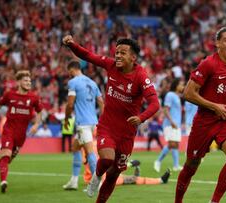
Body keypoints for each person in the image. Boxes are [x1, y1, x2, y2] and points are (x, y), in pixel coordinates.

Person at [62, 36, 160, 202]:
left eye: (123, 53)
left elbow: (155, 103)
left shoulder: (141, 76)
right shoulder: (111, 65)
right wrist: (72, 44)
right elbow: (88, 55)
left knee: (114, 174)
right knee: (106, 159)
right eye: (117, 52)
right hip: (107, 126)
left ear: (133, 58)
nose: (118, 56)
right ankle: (97, 175)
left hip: (127, 133)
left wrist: (141, 117)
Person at [175, 27, 226, 203]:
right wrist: (214, 106)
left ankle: (214, 201)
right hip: (205, 121)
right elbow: (188, 93)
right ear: (217, 43)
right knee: (191, 165)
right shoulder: (208, 64)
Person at [0, 70, 43, 193]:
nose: (28, 83)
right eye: (25, 80)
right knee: (6, 155)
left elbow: (40, 111)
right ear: (19, 82)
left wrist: (36, 124)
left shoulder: (34, 98)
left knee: (8, 159)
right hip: (8, 130)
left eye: (29, 81)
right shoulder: (9, 95)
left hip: (21, 135)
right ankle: (3, 182)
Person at [63, 61, 104, 190]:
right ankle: (74, 181)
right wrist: (101, 120)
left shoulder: (73, 82)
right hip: (93, 122)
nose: (68, 74)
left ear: (72, 69)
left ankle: (97, 183)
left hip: (83, 123)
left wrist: (67, 118)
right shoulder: (92, 83)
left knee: (90, 152)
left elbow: (70, 104)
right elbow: (101, 102)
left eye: (68, 71)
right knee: (75, 148)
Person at [154, 78, 184, 172]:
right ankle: (158, 161)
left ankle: (176, 165)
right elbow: (166, 109)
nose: (182, 87)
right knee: (172, 144)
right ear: (176, 85)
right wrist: (171, 121)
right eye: (181, 84)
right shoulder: (170, 95)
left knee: (175, 145)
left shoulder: (177, 96)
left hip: (176, 124)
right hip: (170, 124)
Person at [83, 159, 171, 186]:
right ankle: (161, 180)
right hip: (100, 178)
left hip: (101, 176)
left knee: (132, 178)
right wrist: (130, 164)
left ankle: (160, 180)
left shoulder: (94, 146)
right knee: (133, 179)